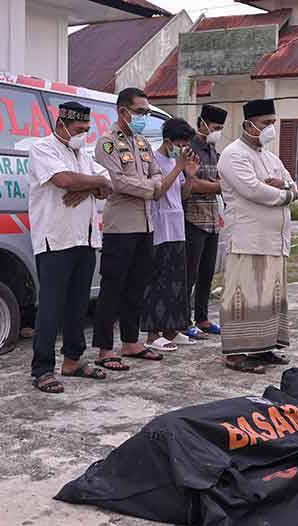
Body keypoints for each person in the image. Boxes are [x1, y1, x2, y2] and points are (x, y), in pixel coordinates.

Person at [27, 101, 111, 393]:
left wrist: (87, 185)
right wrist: (91, 184)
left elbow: (108, 184)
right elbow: (63, 180)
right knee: (51, 307)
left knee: (78, 304)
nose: (84, 134)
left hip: (86, 238)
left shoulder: (83, 155)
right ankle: (42, 369)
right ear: (61, 124)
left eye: (87, 129)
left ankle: (73, 360)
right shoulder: (43, 148)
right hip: (56, 239)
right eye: (79, 129)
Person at [216, 98, 298, 374]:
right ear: (248, 124)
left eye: (273, 123)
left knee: (269, 294)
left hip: (274, 239)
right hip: (248, 236)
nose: (270, 129)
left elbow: (293, 186)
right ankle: (235, 353)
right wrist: (285, 193)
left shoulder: (270, 157)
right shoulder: (233, 154)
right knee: (245, 293)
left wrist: (285, 189)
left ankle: (263, 347)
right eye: (266, 123)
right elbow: (253, 190)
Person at [91, 87, 164, 370]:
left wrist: (151, 185)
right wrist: (152, 189)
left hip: (145, 224)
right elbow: (117, 182)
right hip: (120, 226)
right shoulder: (107, 143)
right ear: (123, 111)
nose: (144, 116)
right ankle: (105, 349)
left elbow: (156, 172)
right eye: (140, 111)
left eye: (146, 112)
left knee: (137, 285)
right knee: (113, 288)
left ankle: (131, 341)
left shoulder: (143, 143)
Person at [142, 118, 200, 352]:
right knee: (156, 281)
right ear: (168, 141)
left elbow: (184, 194)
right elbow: (158, 192)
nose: (184, 148)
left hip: (177, 226)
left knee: (176, 281)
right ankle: (152, 333)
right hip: (159, 227)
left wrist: (191, 175)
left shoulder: (178, 162)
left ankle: (171, 328)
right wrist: (178, 167)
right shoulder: (154, 160)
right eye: (181, 143)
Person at [183, 104, 227, 339]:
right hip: (193, 218)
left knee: (207, 273)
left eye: (220, 128)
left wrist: (217, 184)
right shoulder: (190, 149)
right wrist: (219, 186)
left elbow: (219, 178)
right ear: (202, 123)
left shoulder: (213, 150)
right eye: (215, 127)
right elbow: (194, 184)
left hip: (212, 219)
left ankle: (202, 318)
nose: (217, 131)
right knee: (189, 273)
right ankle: (184, 320)